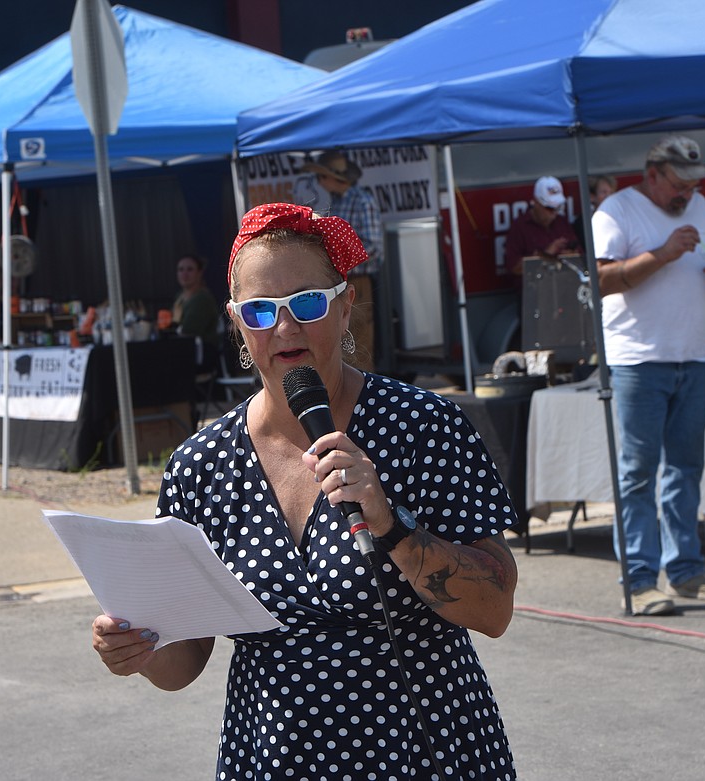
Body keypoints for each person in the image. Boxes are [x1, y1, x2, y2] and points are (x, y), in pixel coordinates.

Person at [91, 202, 519, 779]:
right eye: (262, 310)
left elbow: (494, 609)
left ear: (346, 309)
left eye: (308, 303)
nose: (285, 328)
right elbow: (185, 660)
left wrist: (392, 526)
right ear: (238, 323)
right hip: (272, 760)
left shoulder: (424, 426)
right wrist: (136, 651)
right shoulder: (200, 466)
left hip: (425, 753)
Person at [590, 135, 705, 616]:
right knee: (638, 474)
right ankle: (639, 579)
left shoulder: (699, 208)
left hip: (694, 356)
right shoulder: (616, 210)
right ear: (652, 174)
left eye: (694, 184)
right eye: (680, 183)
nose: (688, 193)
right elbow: (600, 280)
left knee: (685, 467)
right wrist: (663, 253)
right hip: (638, 360)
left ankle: (686, 570)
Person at [301, 149, 383, 372]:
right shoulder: (338, 201)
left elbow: (373, 245)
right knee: (343, 337)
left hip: (358, 278)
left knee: (359, 339)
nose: (319, 181)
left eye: (320, 176)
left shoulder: (362, 200)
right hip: (342, 279)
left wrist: (337, 258)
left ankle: (362, 393)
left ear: (331, 178)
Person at [503, 175, 582, 276]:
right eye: (549, 208)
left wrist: (570, 256)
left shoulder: (562, 222)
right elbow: (513, 267)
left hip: (565, 283)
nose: (554, 213)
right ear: (536, 202)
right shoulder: (520, 227)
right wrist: (546, 254)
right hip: (534, 288)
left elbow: (581, 255)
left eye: (557, 207)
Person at [171, 254, 219, 344]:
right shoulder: (179, 297)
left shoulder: (202, 299)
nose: (184, 274)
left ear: (199, 273)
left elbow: (188, 331)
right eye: (181, 269)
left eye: (190, 269)